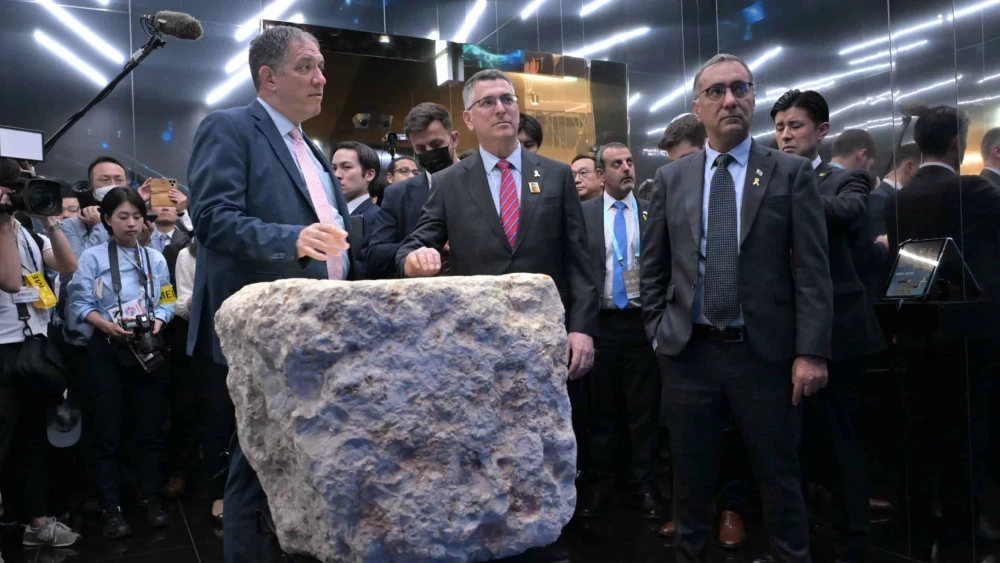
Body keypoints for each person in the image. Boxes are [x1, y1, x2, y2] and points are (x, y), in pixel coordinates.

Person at [640, 54, 833, 563]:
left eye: (741, 89)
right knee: (691, 481)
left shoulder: (789, 174)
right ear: (698, 106)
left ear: (752, 98)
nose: (731, 99)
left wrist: (810, 351)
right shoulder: (672, 178)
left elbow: (812, 271)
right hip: (689, 353)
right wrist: (660, 334)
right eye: (717, 91)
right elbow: (655, 267)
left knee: (779, 478)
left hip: (764, 355)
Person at [186, 25, 352, 563]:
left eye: (321, 66)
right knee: (255, 464)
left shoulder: (316, 150)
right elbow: (212, 219)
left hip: (324, 330)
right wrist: (292, 240)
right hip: (263, 334)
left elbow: (340, 245)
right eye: (306, 66)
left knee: (305, 462)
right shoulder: (230, 128)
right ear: (268, 76)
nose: (320, 77)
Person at [397, 68, 597, 381]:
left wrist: (582, 329)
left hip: (548, 335)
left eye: (508, 99)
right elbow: (414, 245)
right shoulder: (448, 182)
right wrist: (413, 260)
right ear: (468, 119)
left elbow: (579, 261)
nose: (501, 108)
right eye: (488, 102)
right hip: (476, 339)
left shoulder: (556, 176)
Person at [772, 89, 885, 563]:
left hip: (840, 331)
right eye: (779, 127)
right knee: (793, 444)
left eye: (795, 126)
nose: (785, 135)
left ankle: (856, 537)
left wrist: (790, 198)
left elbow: (848, 214)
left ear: (821, 132)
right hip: (784, 331)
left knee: (843, 439)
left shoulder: (845, 180)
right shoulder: (767, 180)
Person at [885, 106, 1000, 562]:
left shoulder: (899, 198)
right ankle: (962, 528)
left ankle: (922, 527)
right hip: (970, 333)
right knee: (968, 435)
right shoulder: (972, 190)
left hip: (915, 329)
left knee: (921, 433)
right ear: (957, 144)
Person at [67, 187, 174, 539]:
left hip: (147, 346)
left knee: (149, 428)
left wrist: (159, 320)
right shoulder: (93, 258)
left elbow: (168, 299)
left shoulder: (155, 258)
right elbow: (80, 303)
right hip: (106, 348)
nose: (131, 224)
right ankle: (110, 507)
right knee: (107, 430)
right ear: (107, 219)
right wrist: (107, 326)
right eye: (123, 217)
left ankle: (151, 497)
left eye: (137, 217)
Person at [577, 142, 662, 520]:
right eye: (616, 164)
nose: (627, 168)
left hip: (643, 324)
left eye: (629, 161)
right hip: (602, 324)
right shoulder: (583, 215)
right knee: (602, 412)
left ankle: (646, 486)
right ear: (600, 174)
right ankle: (601, 485)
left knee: (644, 412)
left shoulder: (651, 213)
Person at [0, 169, 79, 549]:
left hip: (35, 345)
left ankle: (38, 523)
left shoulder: (29, 232)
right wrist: (1, 225)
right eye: (11, 190)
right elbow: (12, 282)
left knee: (33, 441)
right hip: (2, 349)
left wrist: (51, 221)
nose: (17, 197)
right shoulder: (5, 230)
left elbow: (67, 266)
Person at [365, 102, 460, 280]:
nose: (430, 152)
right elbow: (376, 255)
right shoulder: (398, 194)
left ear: (454, 139)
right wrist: (421, 251)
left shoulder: (481, 180)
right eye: (421, 149)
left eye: (436, 143)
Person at [332, 141, 380, 278]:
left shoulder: (377, 217)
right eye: (333, 168)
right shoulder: (329, 214)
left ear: (369, 174)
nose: (337, 175)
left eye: (346, 167)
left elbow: (369, 270)